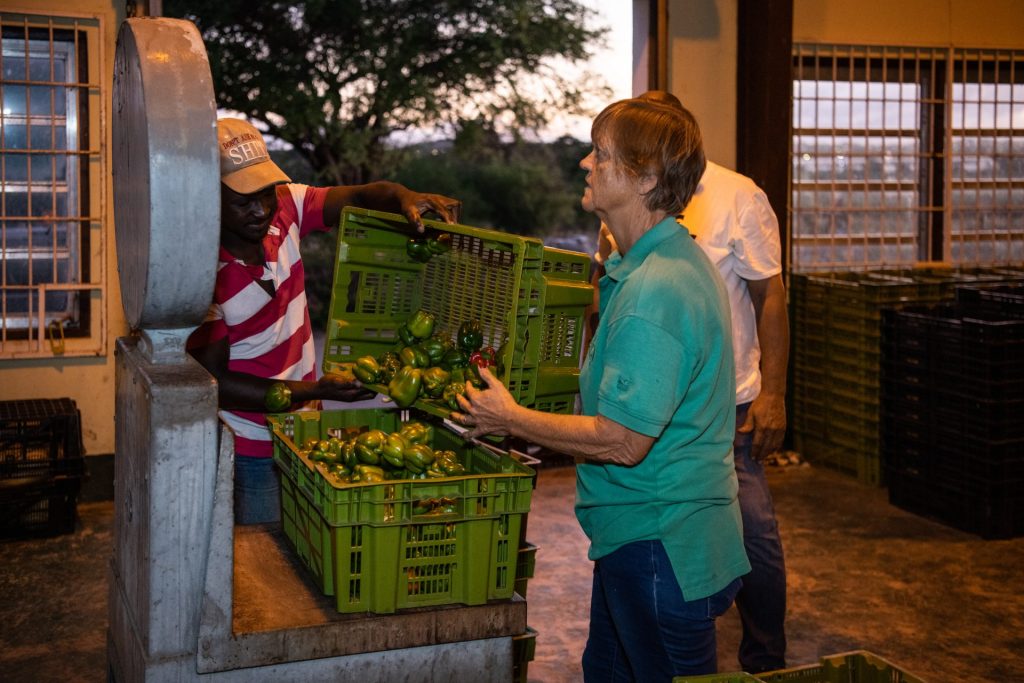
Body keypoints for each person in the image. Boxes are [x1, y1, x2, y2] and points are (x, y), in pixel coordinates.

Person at [454, 97, 749, 680]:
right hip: (636, 537)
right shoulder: (653, 264)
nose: (586, 163)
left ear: (646, 179)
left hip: (660, 542)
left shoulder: (655, 289)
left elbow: (621, 440)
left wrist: (510, 417)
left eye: (601, 153)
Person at [593, 90, 790, 673]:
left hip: (721, 401)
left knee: (747, 531)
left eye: (604, 153)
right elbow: (609, 291)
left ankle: (766, 654)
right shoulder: (644, 227)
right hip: (655, 402)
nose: (591, 163)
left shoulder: (736, 196)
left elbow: (770, 296)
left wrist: (775, 392)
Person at [187, 117, 460, 525]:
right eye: (244, 200)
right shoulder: (201, 277)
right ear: (210, 196)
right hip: (251, 444)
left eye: (265, 193)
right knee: (265, 553)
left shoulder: (288, 209)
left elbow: (364, 196)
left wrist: (404, 197)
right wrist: (311, 389)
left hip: (306, 430)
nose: (261, 209)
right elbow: (216, 383)